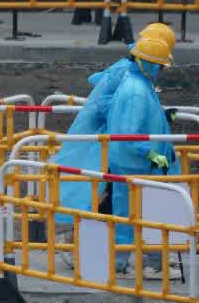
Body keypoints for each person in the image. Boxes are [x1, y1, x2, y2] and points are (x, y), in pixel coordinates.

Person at [56, 36, 175, 256]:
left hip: (130, 161)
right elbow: (129, 132)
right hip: (134, 163)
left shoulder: (137, 84)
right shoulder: (137, 91)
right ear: (149, 64)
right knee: (129, 215)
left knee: (127, 214)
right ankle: (122, 260)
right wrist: (152, 154)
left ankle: (121, 259)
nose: (161, 71)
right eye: (159, 66)